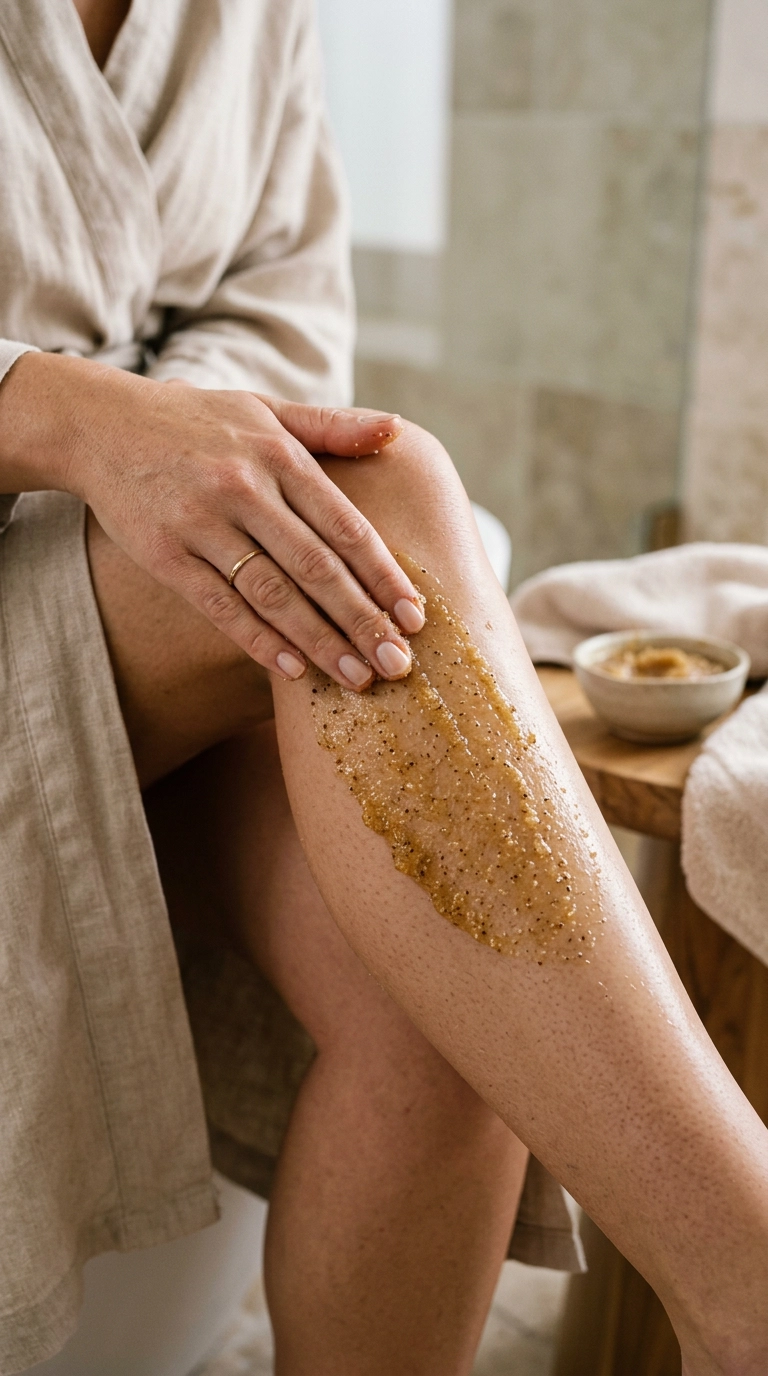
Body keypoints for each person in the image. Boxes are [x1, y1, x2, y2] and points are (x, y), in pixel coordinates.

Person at [1, 3, 767, 1375]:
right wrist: (72, 416)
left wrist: (191, 457)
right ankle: (746, 1279)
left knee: (450, 1004)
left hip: (133, 585)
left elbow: (284, 308)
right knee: (389, 498)